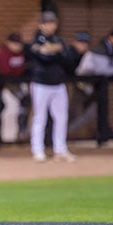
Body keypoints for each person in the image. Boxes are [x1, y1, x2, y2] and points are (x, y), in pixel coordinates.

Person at [27, 11, 78, 162]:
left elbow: (68, 57)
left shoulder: (58, 39)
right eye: (47, 23)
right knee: (40, 117)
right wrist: (56, 49)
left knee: (62, 117)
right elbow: (44, 57)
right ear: (41, 24)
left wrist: (54, 49)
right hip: (41, 83)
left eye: (53, 23)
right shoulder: (36, 39)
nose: (50, 26)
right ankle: (37, 150)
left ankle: (60, 149)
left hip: (58, 83)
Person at [72, 29, 113, 143]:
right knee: (73, 112)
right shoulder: (97, 51)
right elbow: (103, 70)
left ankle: (100, 133)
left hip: (96, 87)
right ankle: (65, 133)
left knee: (94, 112)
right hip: (82, 85)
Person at [0, 32, 29, 143]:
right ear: (8, 43)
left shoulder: (23, 53)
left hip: (20, 84)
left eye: (18, 43)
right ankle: (8, 139)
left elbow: (23, 69)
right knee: (10, 112)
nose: (17, 46)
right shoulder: (2, 53)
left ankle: (20, 137)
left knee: (22, 112)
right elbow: (4, 71)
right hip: (6, 86)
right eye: (14, 43)